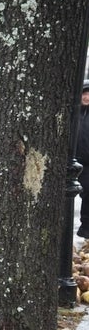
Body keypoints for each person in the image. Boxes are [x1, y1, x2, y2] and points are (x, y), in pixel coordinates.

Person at [77, 80, 89, 238]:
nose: (87, 97)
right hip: (73, 161)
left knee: (88, 194)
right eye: (84, 94)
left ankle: (86, 227)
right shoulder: (74, 114)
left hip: (88, 164)